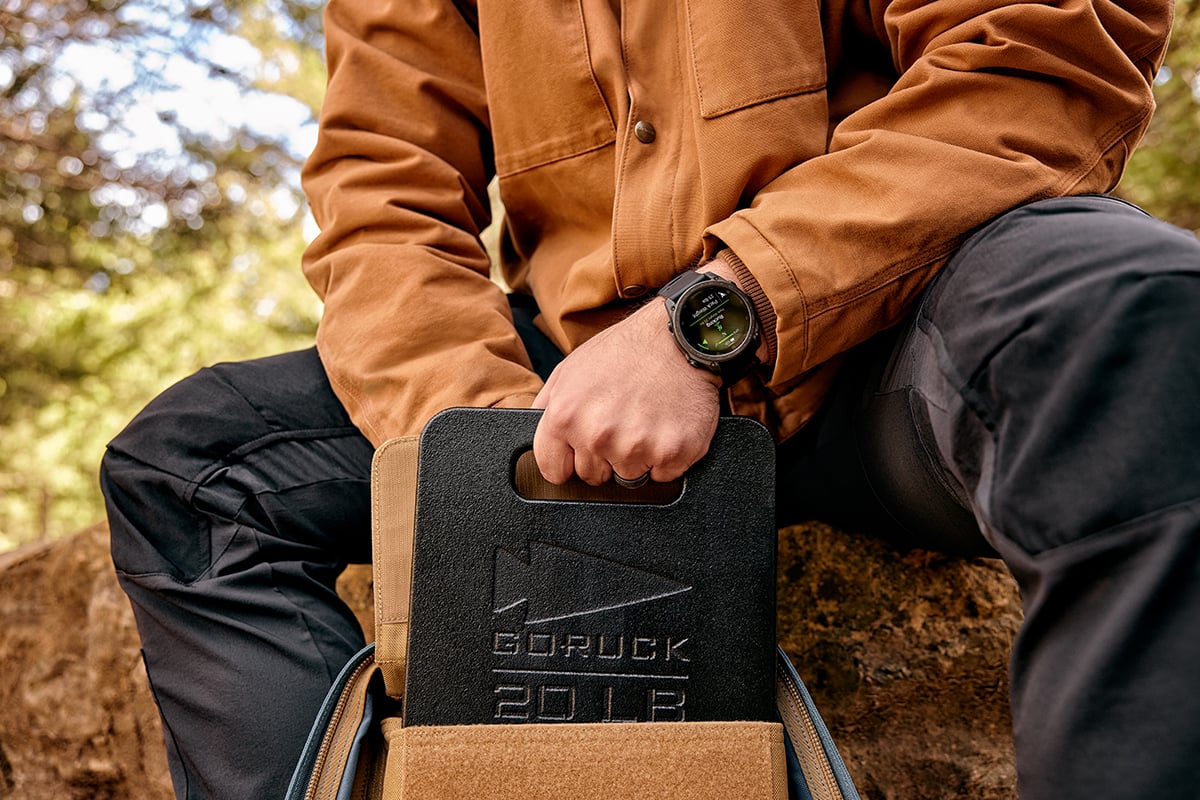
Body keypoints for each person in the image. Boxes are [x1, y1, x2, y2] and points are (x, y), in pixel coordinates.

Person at [99, 0, 1199, 797]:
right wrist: (500, 452)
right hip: (562, 369)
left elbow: (1034, 63)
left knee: (1136, 315)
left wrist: (714, 317)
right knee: (192, 470)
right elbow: (379, 191)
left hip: (878, 322)